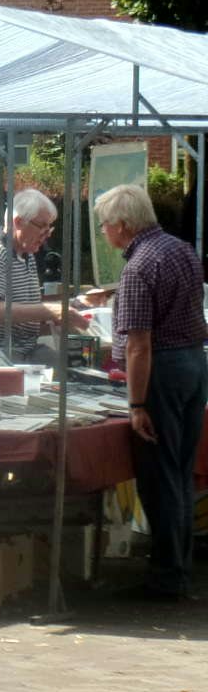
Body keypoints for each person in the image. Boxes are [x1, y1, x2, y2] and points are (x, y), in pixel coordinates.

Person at [96, 184, 208, 601]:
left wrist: (137, 404)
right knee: (179, 475)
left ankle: (167, 577)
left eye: (105, 225)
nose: (104, 233)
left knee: (160, 478)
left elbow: (140, 344)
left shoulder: (139, 267)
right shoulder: (180, 250)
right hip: (193, 364)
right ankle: (178, 570)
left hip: (162, 370)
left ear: (122, 226)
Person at [0, 188, 87, 356]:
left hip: (22, 349)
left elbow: (27, 313)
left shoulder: (26, 254)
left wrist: (73, 306)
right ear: (18, 222)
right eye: (42, 228)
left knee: (70, 369)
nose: (46, 236)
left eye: (49, 229)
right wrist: (52, 311)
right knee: (62, 373)